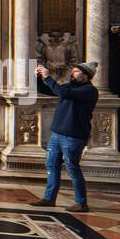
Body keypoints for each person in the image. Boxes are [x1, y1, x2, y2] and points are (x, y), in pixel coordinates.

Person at [32, 60, 98, 211]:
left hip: (73, 136)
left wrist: (48, 77)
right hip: (57, 134)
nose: (72, 73)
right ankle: (49, 199)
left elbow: (63, 93)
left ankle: (81, 203)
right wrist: (38, 78)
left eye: (76, 71)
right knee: (51, 165)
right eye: (72, 70)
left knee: (72, 167)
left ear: (86, 76)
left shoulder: (89, 90)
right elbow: (49, 90)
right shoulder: (71, 86)